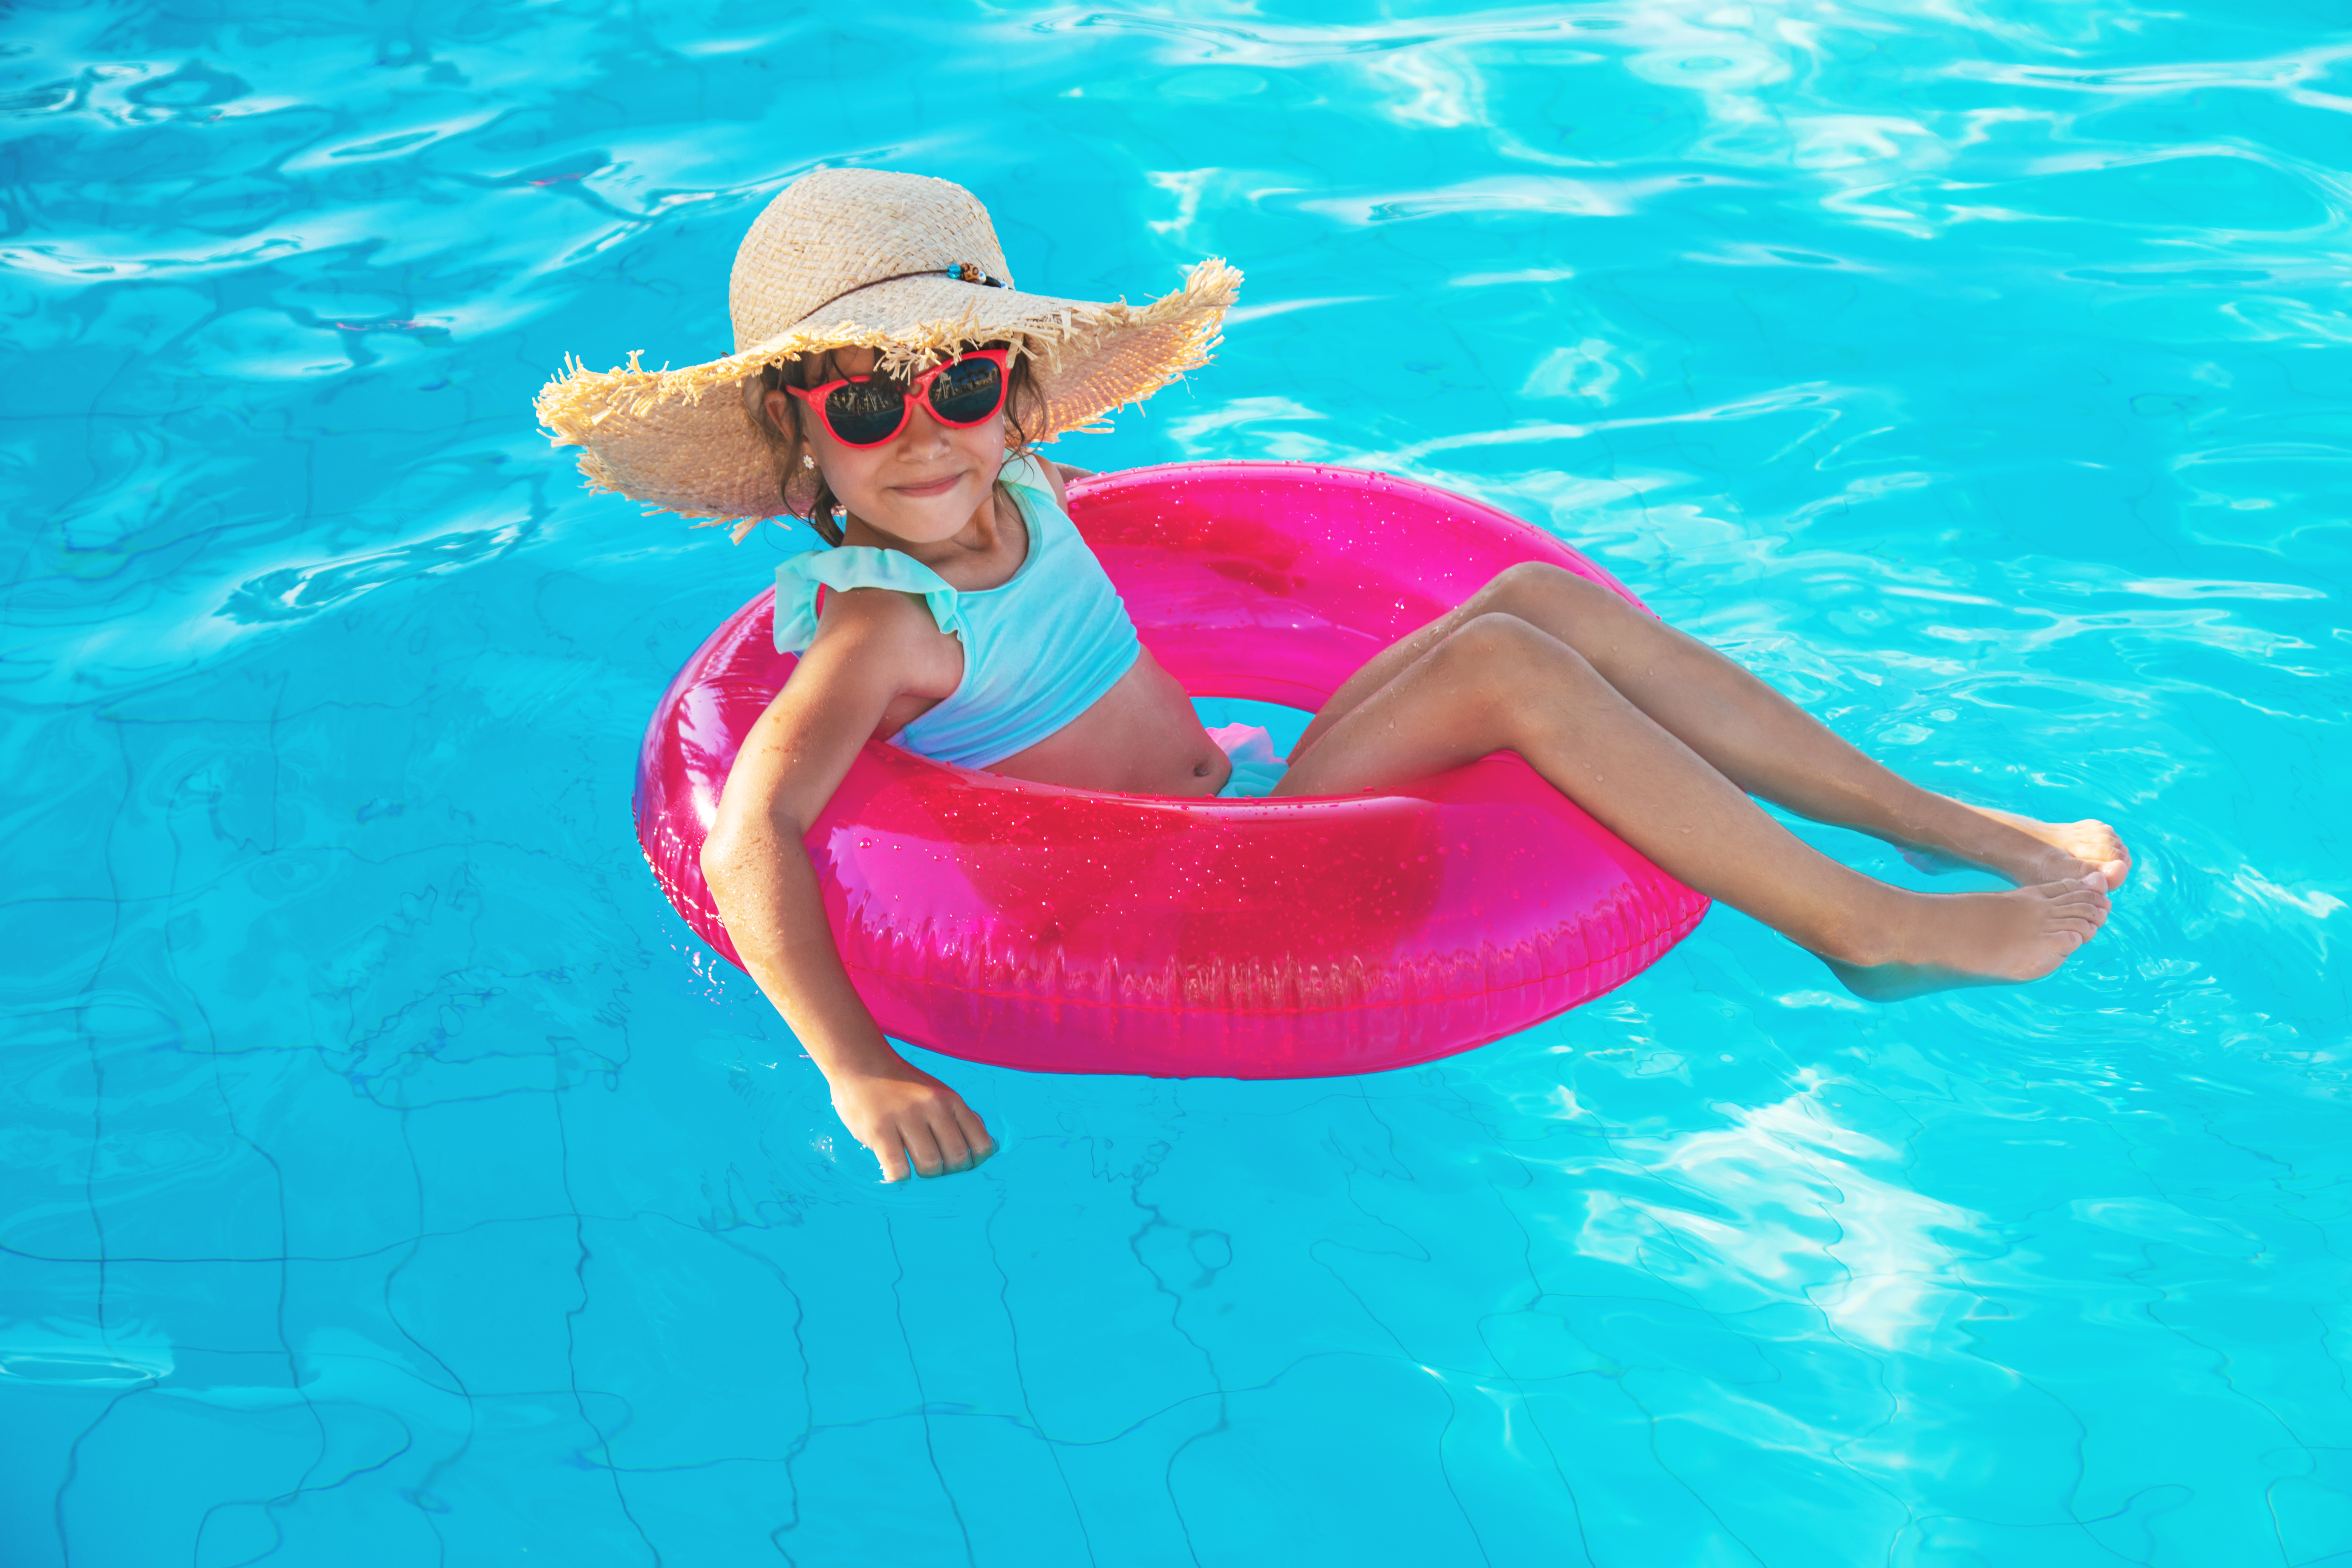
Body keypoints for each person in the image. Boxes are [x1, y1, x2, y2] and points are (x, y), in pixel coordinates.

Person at [538, 169, 2129, 1184]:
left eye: (959, 380)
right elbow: (757, 824)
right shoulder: (883, 631)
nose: (928, 434)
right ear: (803, 440)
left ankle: (1948, 826)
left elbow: (1163, 564)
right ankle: (1863, 927)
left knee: (1517, 593)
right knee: (1511, 657)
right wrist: (859, 1066)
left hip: (1247, 780)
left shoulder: (1029, 493)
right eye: (867, 411)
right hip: (1195, 887)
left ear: (1018, 388)